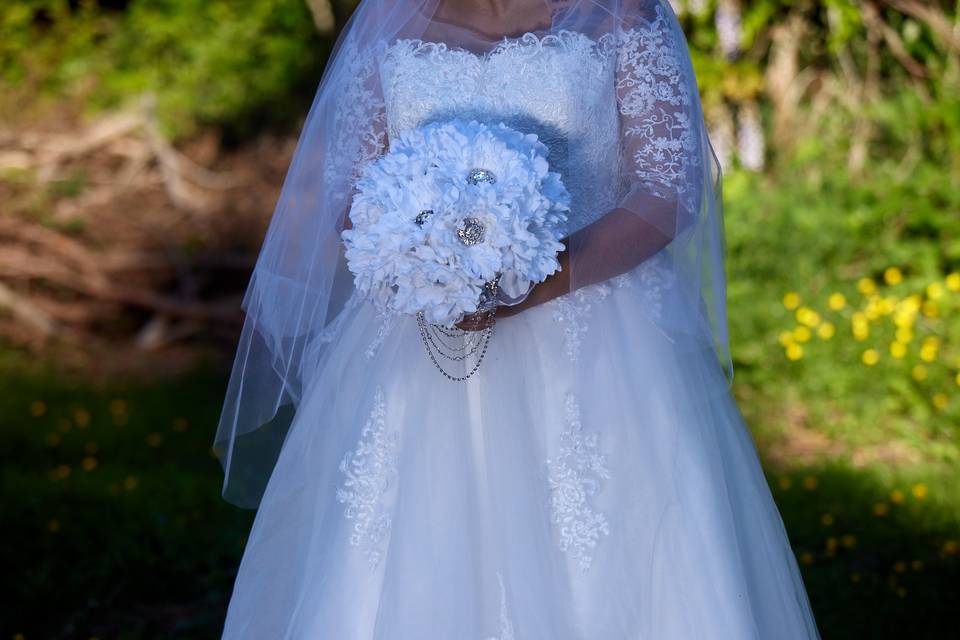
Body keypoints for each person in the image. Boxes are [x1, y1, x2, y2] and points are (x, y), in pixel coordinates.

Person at [214, 1, 821, 637]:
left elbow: (668, 191)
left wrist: (524, 286)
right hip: (419, 339)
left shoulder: (622, 18)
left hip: (597, 335)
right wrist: (425, 270)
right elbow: (355, 193)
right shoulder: (385, 24)